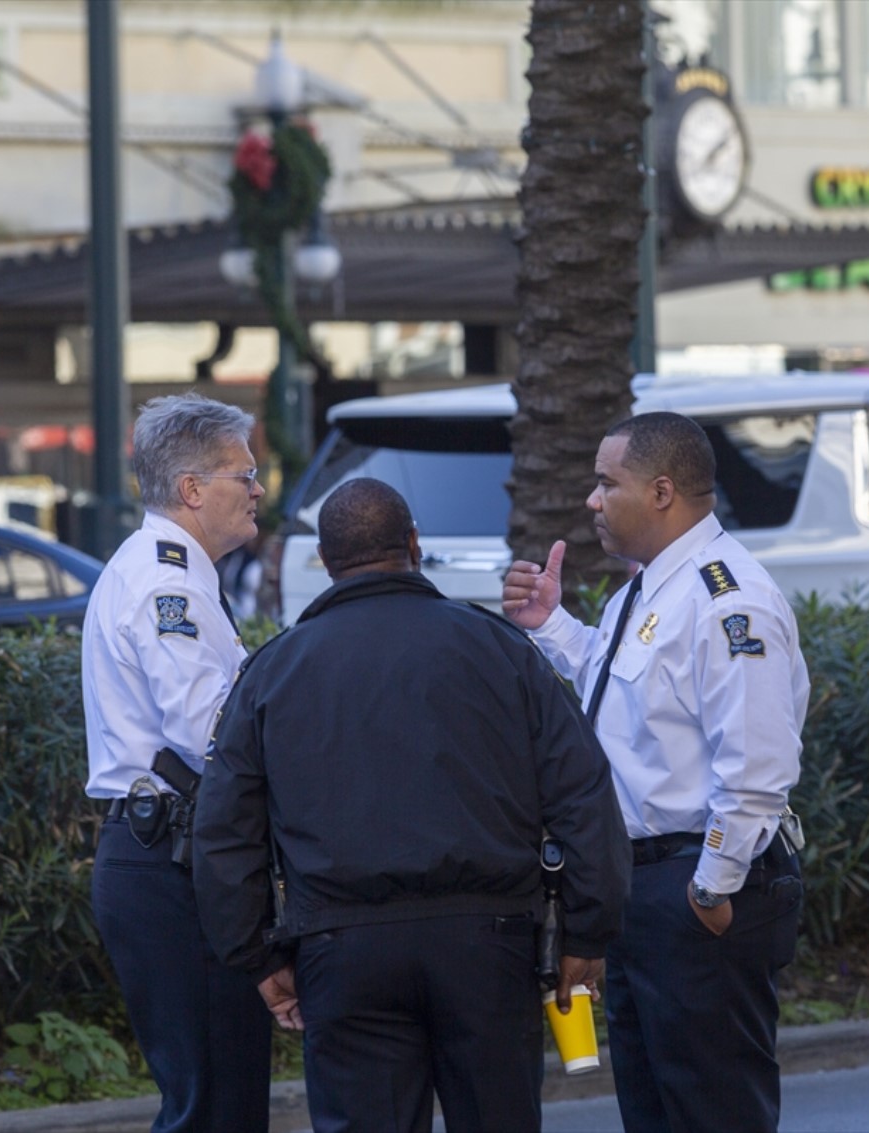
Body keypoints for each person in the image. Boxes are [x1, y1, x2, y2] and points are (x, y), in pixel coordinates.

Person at [193, 478, 631, 1133]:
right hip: (489, 942)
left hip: (342, 948)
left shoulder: (274, 670)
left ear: (327, 561)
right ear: (415, 544)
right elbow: (583, 790)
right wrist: (587, 930)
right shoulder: (500, 648)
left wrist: (259, 954)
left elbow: (225, 829)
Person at [502, 412, 811, 1133]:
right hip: (642, 885)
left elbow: (757, 765)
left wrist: (712, 885)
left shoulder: (726, 598)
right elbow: (626, 702)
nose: (592, 499)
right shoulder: (648, 590)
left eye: (608, 483)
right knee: (654, 1105)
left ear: (663, 490)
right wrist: (551, 624)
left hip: (694, 885)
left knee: (713, 1107)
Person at [82, 392, 271, 1133]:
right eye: (244, 473)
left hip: (174, 852)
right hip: (171, 859)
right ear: (193, 489)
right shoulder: (168, 583)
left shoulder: (174, 572)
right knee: (211, 1103)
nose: (257, 488)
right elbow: (211, 730)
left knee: (222, 1093)